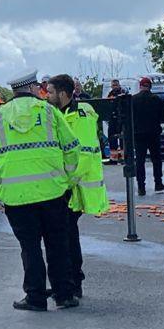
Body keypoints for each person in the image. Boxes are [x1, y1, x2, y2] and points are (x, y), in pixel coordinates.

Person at [0, 78, 81, 311]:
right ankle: (64, 295)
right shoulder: (50, 113)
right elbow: (72, 147)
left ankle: (35, 297)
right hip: (52, 191)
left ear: (14, 91)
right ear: (33, 89)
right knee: (57, 243)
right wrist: (69, 181)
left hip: (16, 196)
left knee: (30, 246)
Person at [49, 74, 106, 300]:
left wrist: (64, 184)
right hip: (66, 186)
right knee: (64, 236)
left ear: (63, 93)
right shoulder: (59, 113)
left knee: (67, 237)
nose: (47, 96)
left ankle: (73, 283)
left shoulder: (80, 115)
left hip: (72, 187)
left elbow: (81, 155)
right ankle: (67, 283)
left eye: (51, 92)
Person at [129, 76, 164, 195]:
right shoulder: (157, 100)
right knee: (156, 159)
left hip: (138, 135)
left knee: (140, 160)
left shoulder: (133, 100)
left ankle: (141, 187)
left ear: (140, 87)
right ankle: (158, 183)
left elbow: (126, 118)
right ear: (150, 87)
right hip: (154, 134)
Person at [103, 79, 127, 159]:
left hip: (122, 119)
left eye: (116, 85)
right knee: (112, 137)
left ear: (119, 85)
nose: (114, 87)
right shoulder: (110, 94)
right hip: (112, 119)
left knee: (123, 138)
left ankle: (123, 157)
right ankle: (114, 157)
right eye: (113, 85)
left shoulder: (123, 93)